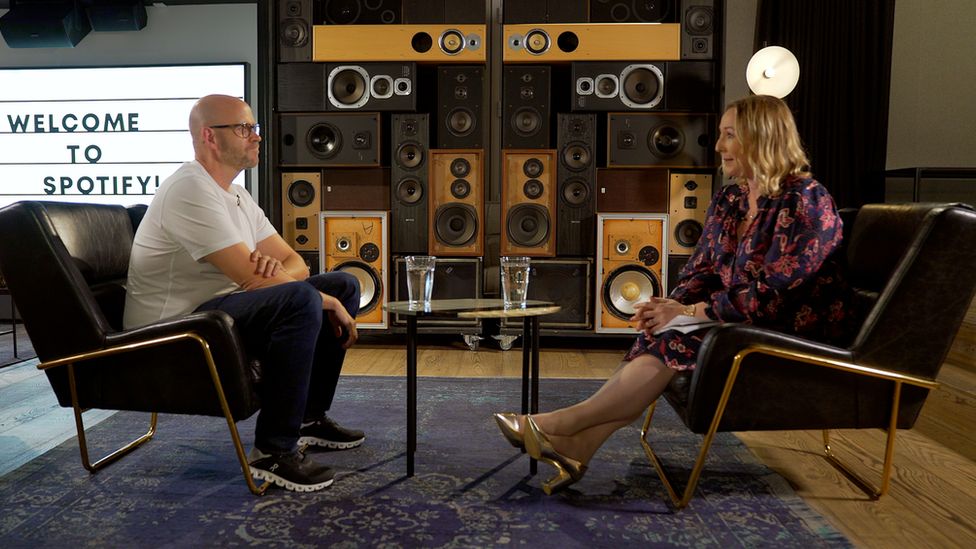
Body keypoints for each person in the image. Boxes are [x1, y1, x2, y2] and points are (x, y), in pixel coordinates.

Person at [494, 95, 856, 495]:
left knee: (678, 337)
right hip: (738, 320)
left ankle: (560, 424)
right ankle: (578, 447)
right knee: (664, 330)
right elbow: (701, 267)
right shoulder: (731, 199)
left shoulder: (806, 199)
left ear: (763, 139)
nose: (718, 146)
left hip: (791, 330)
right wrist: (667, 307)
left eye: (729, 135)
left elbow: (777, 291)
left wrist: (691, 310)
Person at [124, 94, 364, 493]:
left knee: (343, 283)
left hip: (219, 310)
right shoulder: (190, 189)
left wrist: (278, 275)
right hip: (175, 325)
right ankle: (272, 452)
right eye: (244, 128)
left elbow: (294, 262)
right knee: (310, 298)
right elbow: (251, 278)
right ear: (209, 137)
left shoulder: (236, 194)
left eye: (254, 128)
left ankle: (307, 417)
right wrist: (318, 299)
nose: (256, 137)